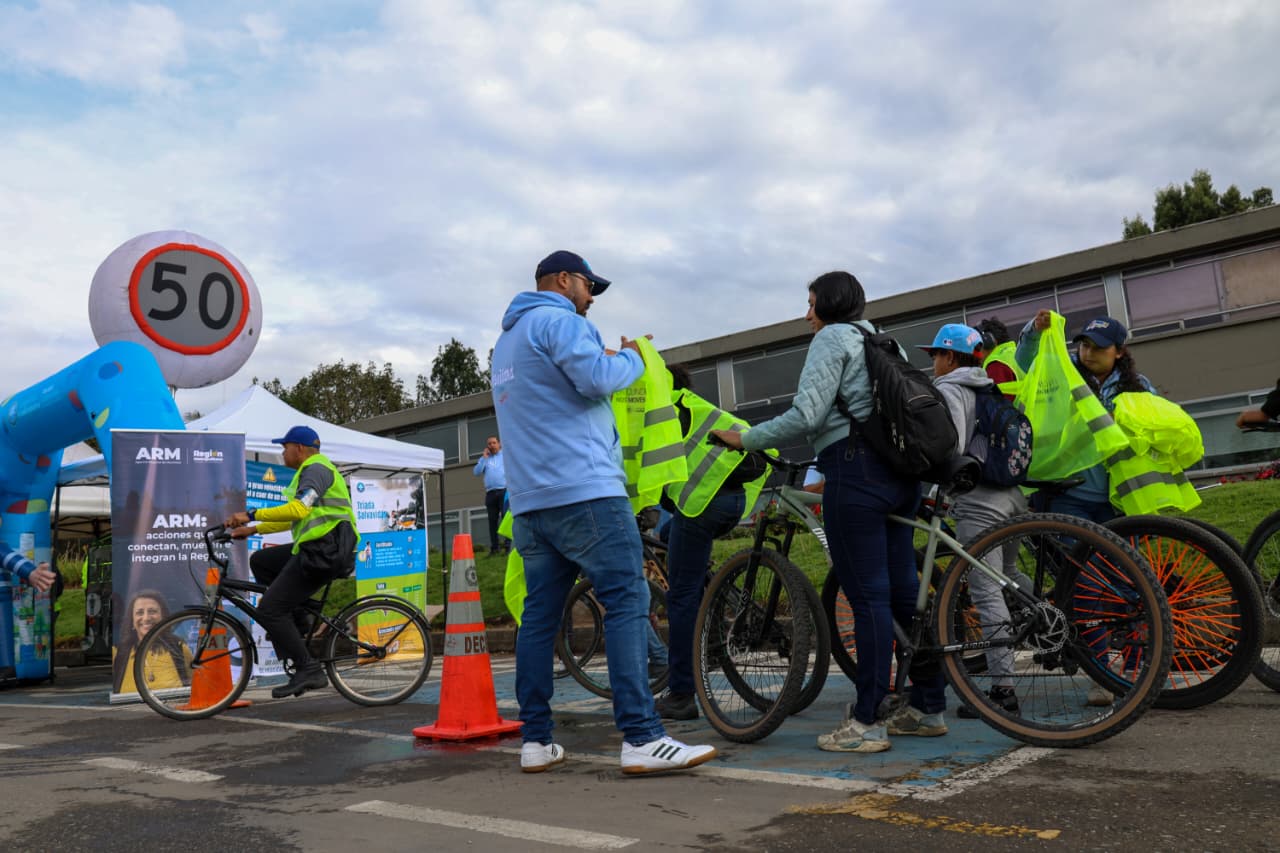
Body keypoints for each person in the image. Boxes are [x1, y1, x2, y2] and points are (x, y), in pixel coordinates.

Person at [492, 249, 716, 774]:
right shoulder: (559, 321)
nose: (591, 297)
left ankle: (536, 740)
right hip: (586, 491)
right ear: (564, 280)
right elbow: (595, 379)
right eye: (590, 286)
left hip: (530, 503)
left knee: (538, 622)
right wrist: (636, 356)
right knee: (627, 603)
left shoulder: (506, 342)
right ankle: (641, 736)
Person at [712, 270, 947, 753]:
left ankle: (866, 723)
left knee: (868, 600)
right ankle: (927, 706)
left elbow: (807, 415)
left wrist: (746, 437)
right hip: (901, 475)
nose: (806, 315)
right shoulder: (884, 342)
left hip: (855, 472)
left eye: (811, 304)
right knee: (903, 594)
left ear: (829, 305)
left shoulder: (830, 340)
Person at [920, 323, 1028, 718]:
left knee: (986, 590)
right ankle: (1048, 617)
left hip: (980, 499)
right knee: (1010, 576)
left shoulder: (949, 389)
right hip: (1012, 494)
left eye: (935, 354)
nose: (932, 362)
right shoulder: (988, 386)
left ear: (950, 357)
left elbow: (952, 446)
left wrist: (931, 494)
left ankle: (1003, 691)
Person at [652, 363, 767, 721]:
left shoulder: (663, 409)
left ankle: (683, 693)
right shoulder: (696, 405)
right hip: (731, 501)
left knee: (681, 595)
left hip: (703, 502)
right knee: (670, 537)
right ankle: (712, 609)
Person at [224, 426, 360, 699]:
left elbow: (298, 509)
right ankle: (299, 622)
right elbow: (296, 518)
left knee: (270, 610)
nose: (282, 453)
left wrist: (250, 515)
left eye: (284, 447)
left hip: (325, 552)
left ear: (298, 448)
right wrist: (254, 530)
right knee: (262, 561)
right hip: (317, 548)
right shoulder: (310, 471)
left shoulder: (316, 469)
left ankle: (308, 669)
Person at [112, 590, 191, 694]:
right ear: (132, 621)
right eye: (140, 612)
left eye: (152, 611)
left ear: (163, 617)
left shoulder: (180, 649)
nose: (146, 618)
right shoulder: (117, 653)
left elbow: (195, 689)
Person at [473, 436, 509, 555]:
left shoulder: (505, 455)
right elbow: (476, 472)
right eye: (489, 443)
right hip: (490, 493)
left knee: (506, 519)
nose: (492, 445)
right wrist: (484, 458)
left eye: (494, 443)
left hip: (504, 491)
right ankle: (495, 548)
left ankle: (508, 547)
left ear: (499, 444)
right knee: (492, 521)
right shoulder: (484, 458)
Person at [975, 317, 1022, 401]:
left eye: (978, 346)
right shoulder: (1017, 353)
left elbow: (998, 407)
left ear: (988, 341)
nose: (976, 352)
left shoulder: (996, 365)